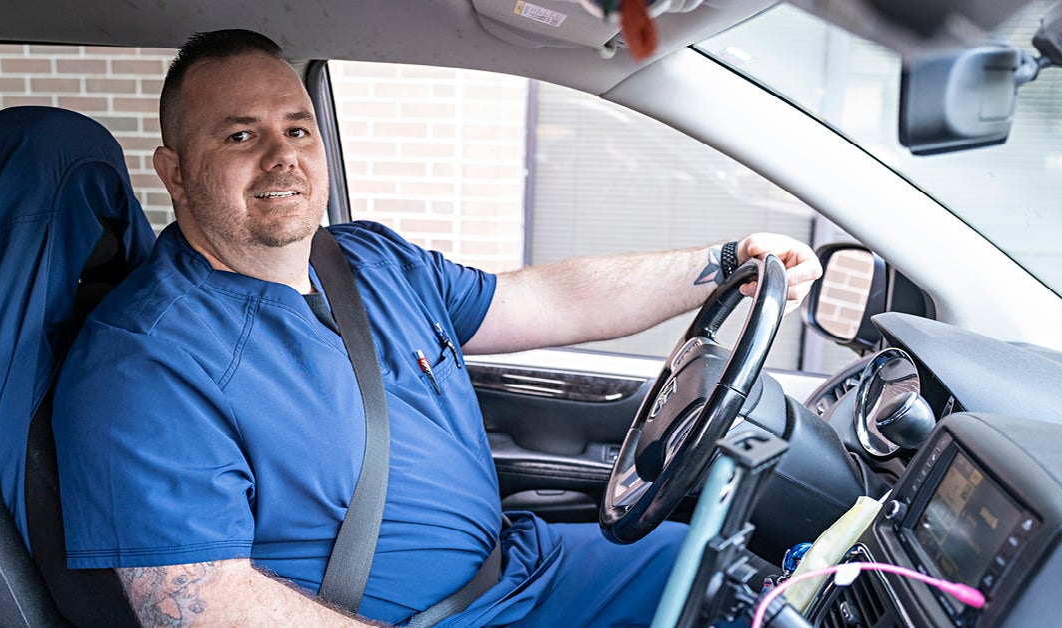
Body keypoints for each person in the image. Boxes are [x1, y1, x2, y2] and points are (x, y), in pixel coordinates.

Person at [52, 29, 822, 627]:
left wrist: (725, 262)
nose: (283, 156)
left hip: (524, 569)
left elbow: (540, 300)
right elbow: (201, 606)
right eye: (240, 136)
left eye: (298, 129)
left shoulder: (368, 258)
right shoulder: (143, 361)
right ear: (175, 171)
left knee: (740, 579)